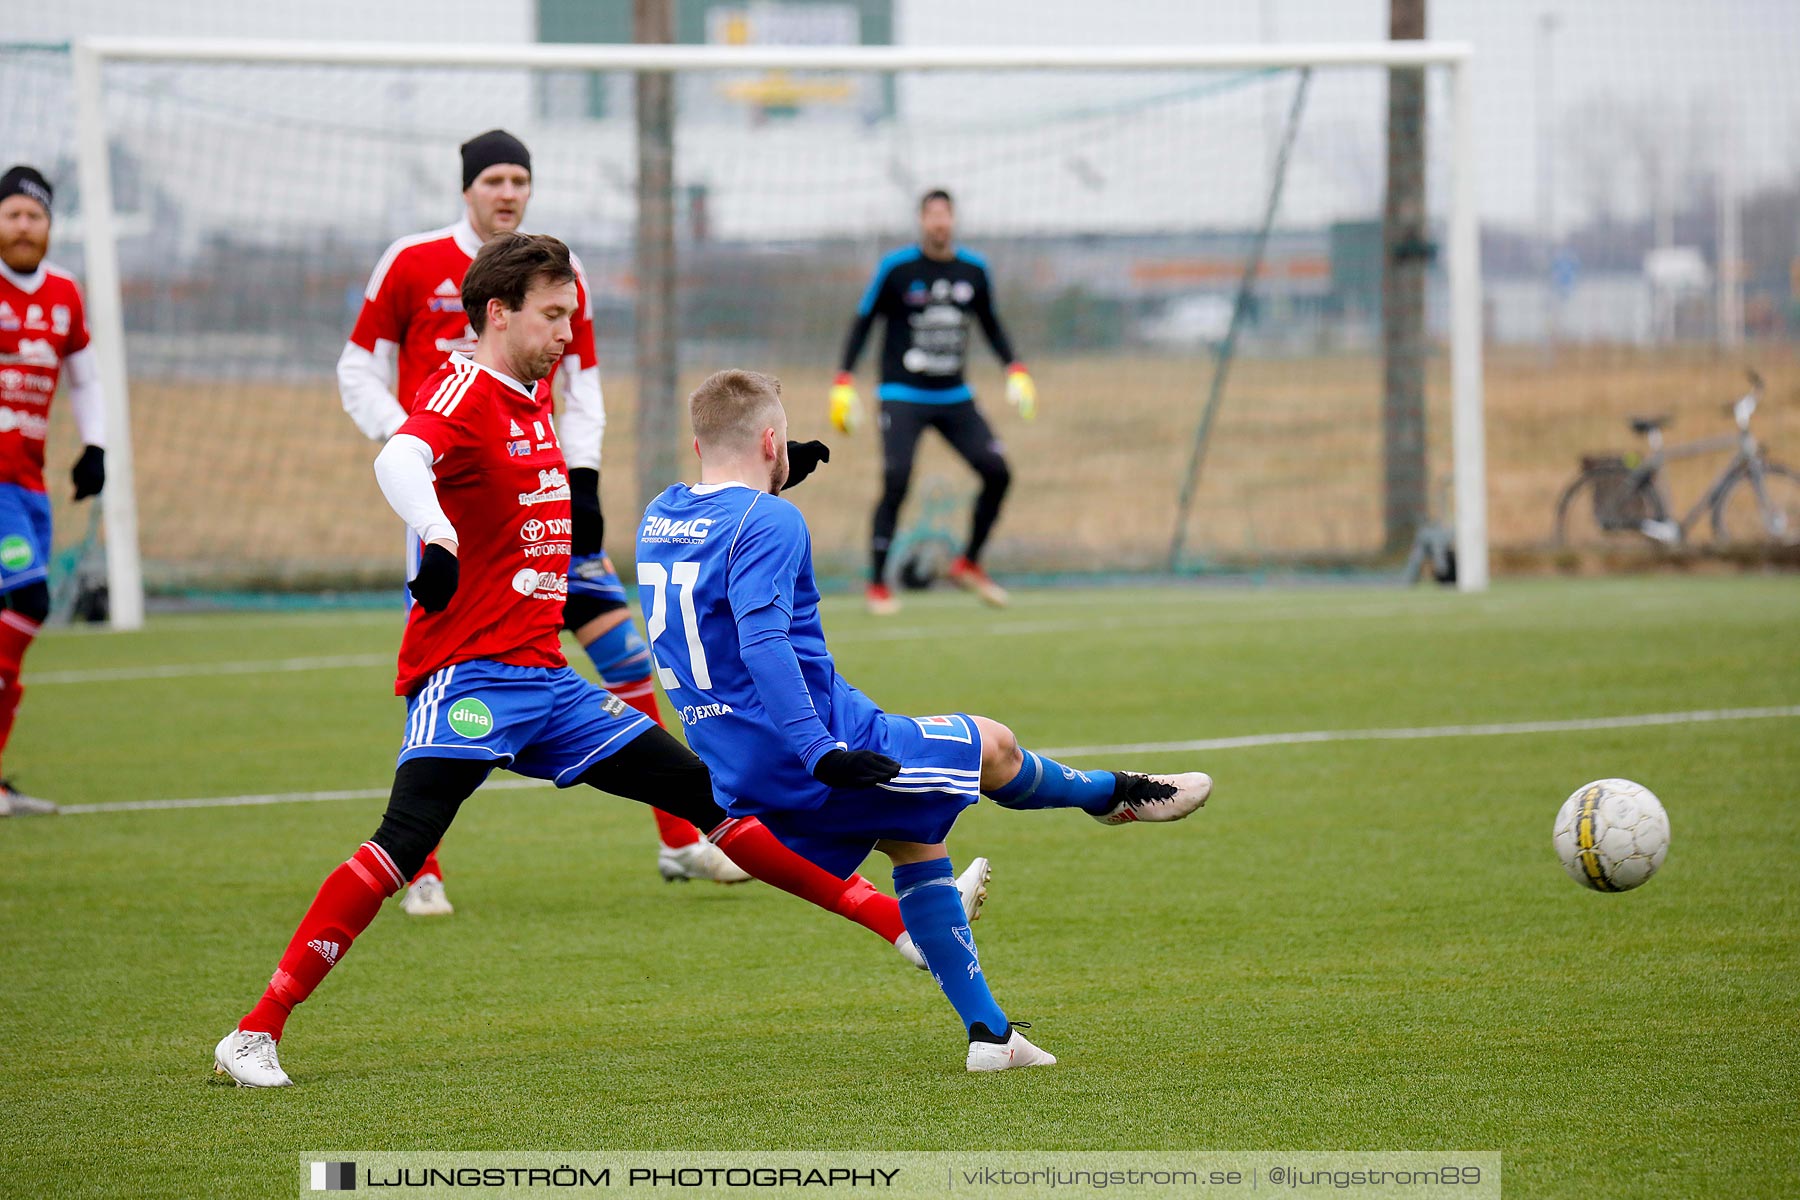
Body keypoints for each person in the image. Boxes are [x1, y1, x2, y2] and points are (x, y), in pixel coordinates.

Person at [215, 235, 986, 1088]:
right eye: (553, 315)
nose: (566, 332)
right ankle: (256, 1032)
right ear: (498, 313)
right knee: (402, 845)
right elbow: (398, 455)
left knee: (707, 797)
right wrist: (435, 536)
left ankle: (901, 929)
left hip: (548, 684)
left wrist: (766, 480)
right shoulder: (466, 392)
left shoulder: (528, 398)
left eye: (570, 315)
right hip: (470, 679)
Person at [637, 369, 1212, 1072]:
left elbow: (726, 540)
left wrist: (777, 478)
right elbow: (762, 641)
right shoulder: (773, 521)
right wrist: (822, 752)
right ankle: (1114, 795)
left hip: (739, 767)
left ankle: (992, 1037)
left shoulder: (661, 515)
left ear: (698, 447)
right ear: (770, 439)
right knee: (994, 745)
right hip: (822, 744)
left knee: (913, 839)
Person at [337, 129, 737, 908]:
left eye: (520, 177)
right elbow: (358, 365)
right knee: (449, 678)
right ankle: (421, 864)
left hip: (547, 498)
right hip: (458, 508)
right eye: (494, 178)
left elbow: (583, 382)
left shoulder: (559, 272)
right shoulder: (411, 262)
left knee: (626, 658)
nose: (508, 191)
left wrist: (582, 477)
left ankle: (682, 840)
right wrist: (413, 439)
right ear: (467, 189)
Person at [831, 189, 1036, 616]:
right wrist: (843, 379)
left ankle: (968, 564)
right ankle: (877, 585)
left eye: (946, 215)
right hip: (902, 394)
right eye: (932, 215)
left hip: (954, 395)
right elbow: (863, 320)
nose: (939, 222)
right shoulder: (898, 269)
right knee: (898, 478)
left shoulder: (974, 270)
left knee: (998, 472)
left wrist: (1014, 368)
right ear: (922, 221)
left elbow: (991, 324)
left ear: (954, 220)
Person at [0, 165, 105, 817]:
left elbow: (85, 378)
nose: (22, 226)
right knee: (28, 593)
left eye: (33, 216)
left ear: (49, 225)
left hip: (30, 483)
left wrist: (94, 448)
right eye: (11, 214)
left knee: (25, 613)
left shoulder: (65, 292)